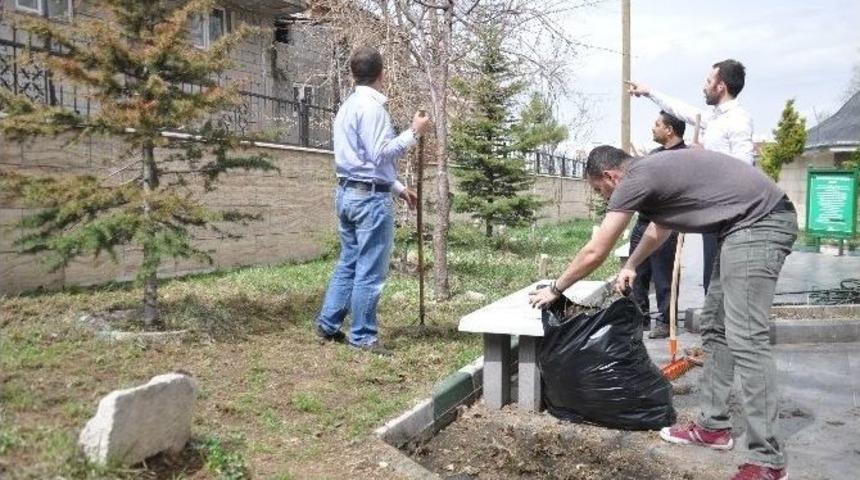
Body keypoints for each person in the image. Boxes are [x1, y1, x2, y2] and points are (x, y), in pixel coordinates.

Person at [529, 146, 796, 480]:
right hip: (741, 228)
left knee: (747, 338)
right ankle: (713, 428)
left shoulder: (636, 178)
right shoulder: (652, 174)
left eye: (600, 190)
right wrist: (631, 265)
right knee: (715, 328)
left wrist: (556, 288)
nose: (604, 198)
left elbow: (597, 250)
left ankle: (768, 461)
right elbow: (659, 229)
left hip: (761, 223)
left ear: (611, 176)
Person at [314, 46, 430, 356]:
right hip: (368, 202)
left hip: (349, 193)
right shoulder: (372, 108)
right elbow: (380, 153)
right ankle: (362, 336)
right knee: (370, 269)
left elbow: (364, 161)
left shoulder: (347, 106)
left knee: (349, 262)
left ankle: (328, 324)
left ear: (353, 74)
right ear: (382, 74)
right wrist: (413, 133)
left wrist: (397, 188)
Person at [628, 59, 753, 294]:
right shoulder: (715, 118)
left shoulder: (738, 119)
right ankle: (715, 328)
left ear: (720, 86)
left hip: (731, 214)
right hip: (714, 212)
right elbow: (681, 110)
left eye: (708, 81)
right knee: (711, 280)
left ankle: (727, 328)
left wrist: (704, 156)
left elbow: (745, 169)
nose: (703, 86)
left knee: (725, 281)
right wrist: (649, 92)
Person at [630, 111, 686, 339]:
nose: (653, 128)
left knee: (665, 277)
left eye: (657, 124)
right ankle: (639, 318)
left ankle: (665, 321)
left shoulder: (685, 157)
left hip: (667, 224)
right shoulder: (655, 154)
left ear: (669, 130)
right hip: (643, 221)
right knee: (636, 273)